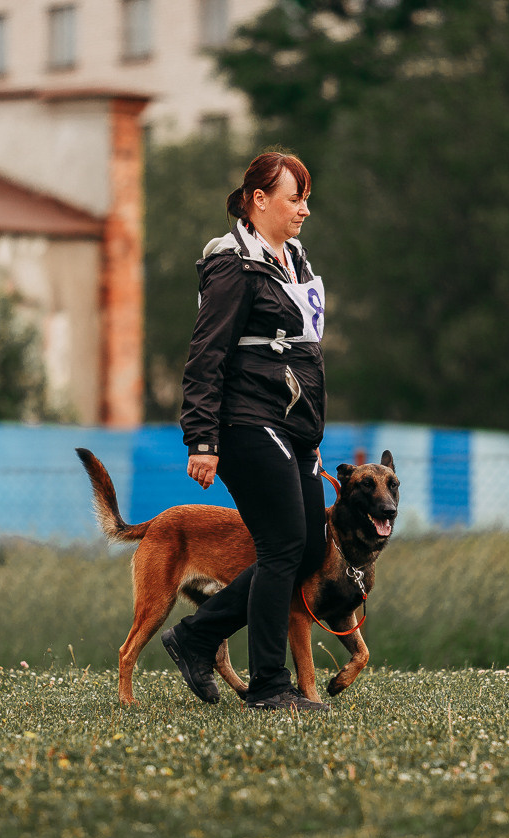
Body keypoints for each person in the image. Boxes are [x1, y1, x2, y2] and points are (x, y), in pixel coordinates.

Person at [161, 151, 330, 712]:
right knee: (282, 546)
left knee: (308, 548)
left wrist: (311, 426)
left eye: (306, 199)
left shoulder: (295, 259)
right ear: (259, 200)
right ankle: (269, 686)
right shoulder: (232, 264)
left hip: (295, 426)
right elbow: (205, 356)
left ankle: (196, 636)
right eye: (294, 198)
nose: (304, 209)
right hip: (245, 421)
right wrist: (202, 440)